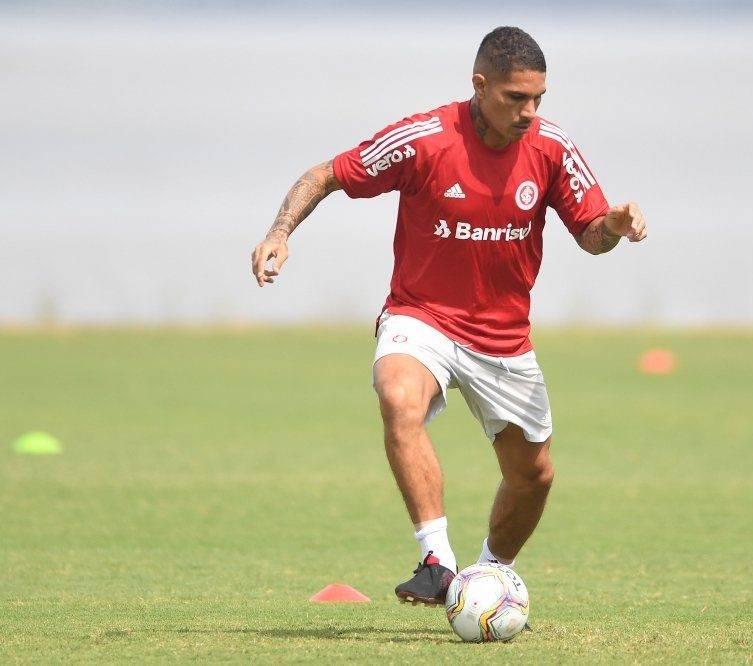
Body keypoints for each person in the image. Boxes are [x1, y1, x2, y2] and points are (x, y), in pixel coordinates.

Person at [250, 26, 646, 605]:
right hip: (422, 315)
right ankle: (436, 559)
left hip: (504, 337)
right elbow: (326, 174)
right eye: (515, 98)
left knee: (534, 475)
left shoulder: (553, 147)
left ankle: (488, 577)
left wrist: (611, 225)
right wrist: (278, 234)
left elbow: (590, 235)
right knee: (397, 397)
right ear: (479, 86)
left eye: (538, 99)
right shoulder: (425, 139)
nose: (529, 112)